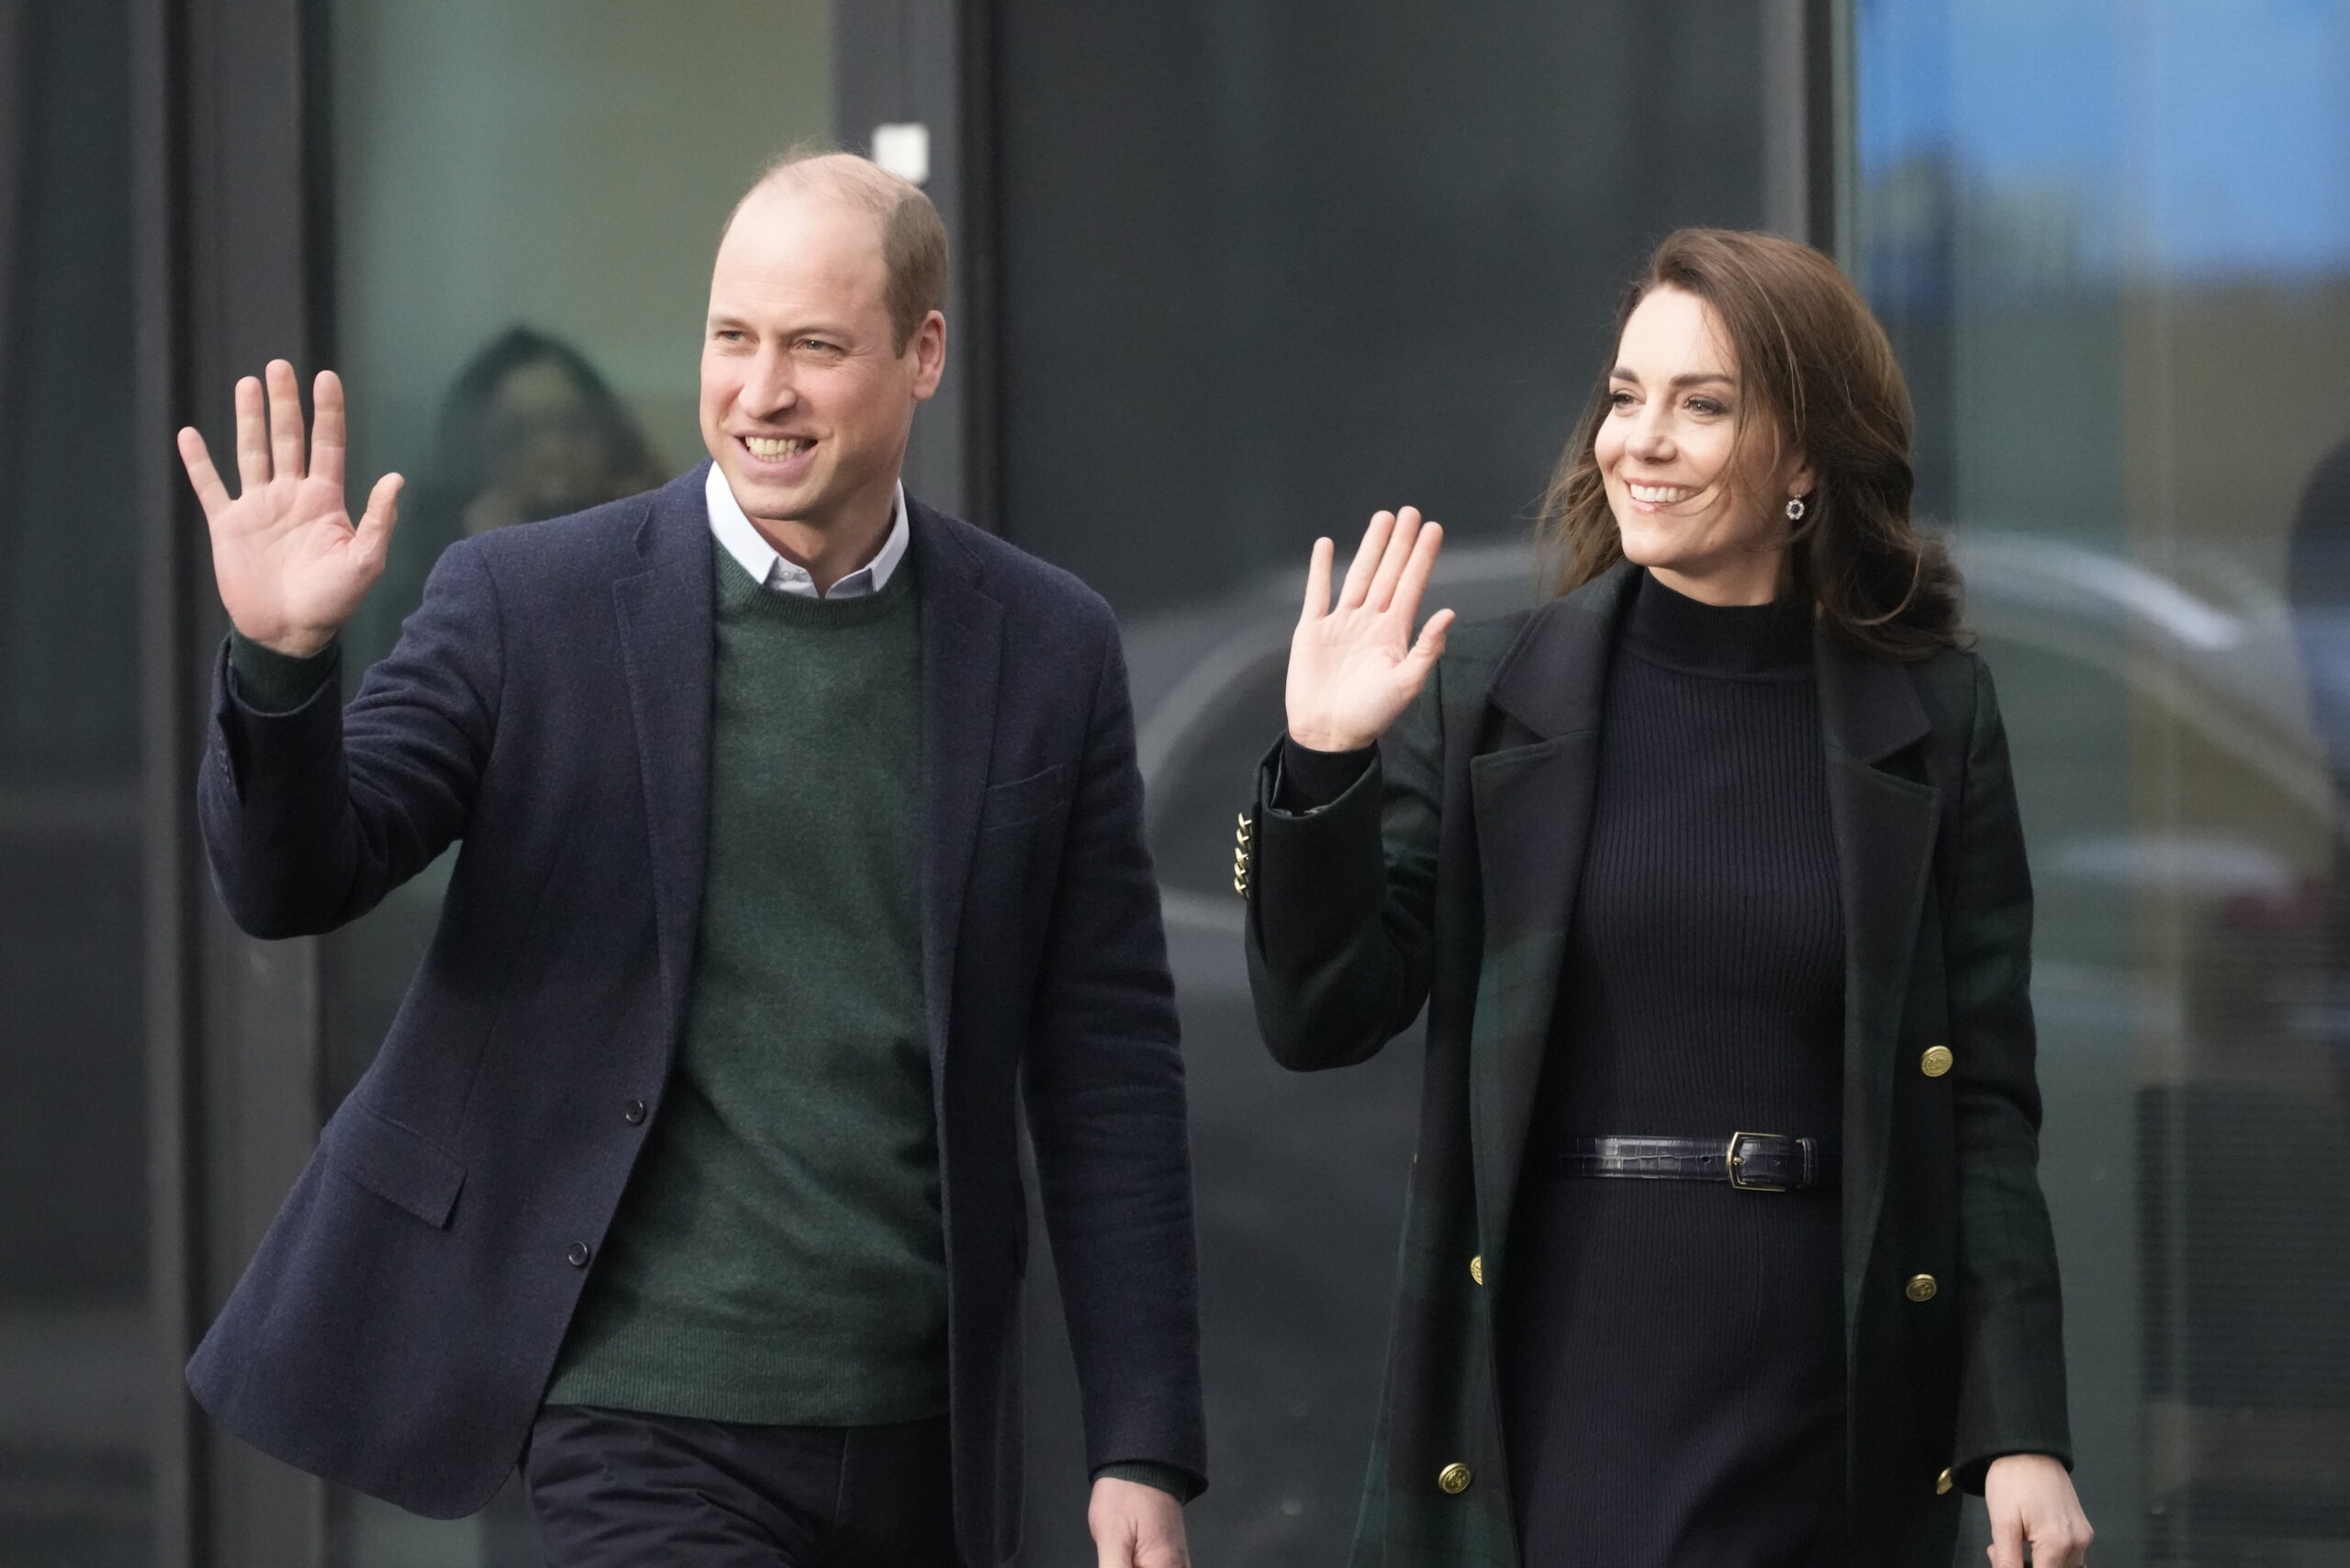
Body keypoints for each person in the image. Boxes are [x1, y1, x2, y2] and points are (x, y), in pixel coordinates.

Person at [173, 151, 1203, 1568]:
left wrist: (1139, 1442)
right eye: (733, 338)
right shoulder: (529, 603)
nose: (760, 392)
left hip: (923, 1441)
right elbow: (295, 881)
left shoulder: (1044, 644)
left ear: (923, 355)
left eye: (816, 348)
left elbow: (1108, 1062)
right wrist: (283, 671)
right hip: (636, 1425)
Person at [1237, 229, 2091, 1567]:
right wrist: (1323, 766)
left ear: (1806, 455)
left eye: (1703, 405)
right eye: (1626, 398)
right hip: (1567, 1378)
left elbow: (1983, 1105)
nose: (1641, 440)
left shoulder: (1929, 714)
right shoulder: (1491, 703)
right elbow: (1321, 1011)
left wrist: (2022, 1428)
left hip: (1830, 1381)